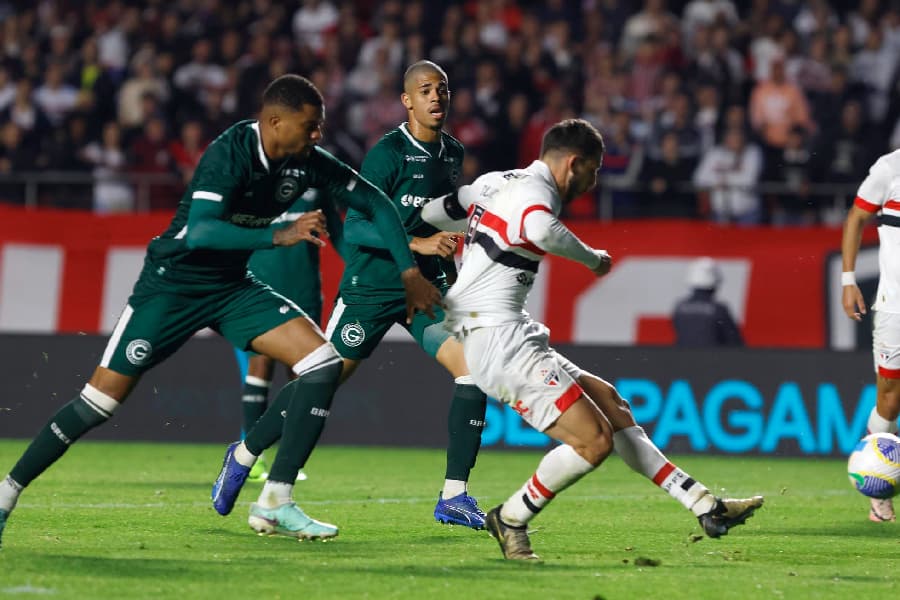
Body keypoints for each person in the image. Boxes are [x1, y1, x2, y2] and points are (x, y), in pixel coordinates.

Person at [0, 74, 441, 548]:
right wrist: (279, 233)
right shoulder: (229, 153)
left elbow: (372, 200)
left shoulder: (306, 162)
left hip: (232, 287)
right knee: (100, 402)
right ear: (275, 122)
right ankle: (7, 492)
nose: (317, 135)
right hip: (172, 287)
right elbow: (200, 233)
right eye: (309, 126)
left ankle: (275, 500)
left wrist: (408, 273)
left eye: (320, 127)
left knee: (323, 363)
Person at [421, 118, 763, 560]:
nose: (593, 181)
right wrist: (593, 260)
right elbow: (542, 231)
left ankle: (706, 506)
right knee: (592, 442)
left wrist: (423, 238)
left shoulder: (495, 182)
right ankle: (510, 517)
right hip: (497, 338)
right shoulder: (538, 193)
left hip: (507, 328)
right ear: (573, 163)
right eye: (594, 171)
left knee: (613, 405)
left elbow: (437, 210)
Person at [211, 60, 491, 531]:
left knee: (473, 372)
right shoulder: (387, 153)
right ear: (407, 101)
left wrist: (461, 232)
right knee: (324, 380)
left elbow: (436, 214)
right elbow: (359, 225)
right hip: (372, 288)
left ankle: (454, 496)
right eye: (425, 90)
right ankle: (243, 454)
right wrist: (418, 243)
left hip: (423, 290)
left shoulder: (452, 154)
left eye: (442, 89)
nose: (436, 97)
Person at [235, 187, 345, 482]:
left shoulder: (317, 182)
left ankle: (289, 459)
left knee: (303, 375)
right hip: (260, 285)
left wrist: (358, 266)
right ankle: (251, 458)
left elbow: (337, 231)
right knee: (259, 366)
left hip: (304, 290)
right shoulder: (258, 177)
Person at [840, 148, 900, 523]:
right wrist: (848, 281)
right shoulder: (890, 167)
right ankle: (877, 487)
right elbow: (857, 217)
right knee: (890, 400)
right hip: (896, 305)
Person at [672, 257, 744, 347]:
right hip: (714, 359)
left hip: (683, 358)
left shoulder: (680, 307)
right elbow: (734, 341)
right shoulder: (719, 309)